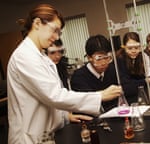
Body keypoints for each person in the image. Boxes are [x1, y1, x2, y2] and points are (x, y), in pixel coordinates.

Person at [7, 4, 122, 144]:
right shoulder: (24, 56)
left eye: (59, 33)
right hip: (30, 138)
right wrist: (100, 96)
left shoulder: (41, 57)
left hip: (47, 133)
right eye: (54, 30)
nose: (56, 37)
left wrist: (65, 117)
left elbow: (45, 98)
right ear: (37, 23)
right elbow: (54, 96)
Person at [71, 34, 118, 111]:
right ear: (89, 58)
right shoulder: (79, 77)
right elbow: (85, 103)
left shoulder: (112, 70)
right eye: (99, 59)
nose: (103, 62)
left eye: (106, 58)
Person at [116, 32, 150, 104]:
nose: (133, 51)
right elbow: (126, 87)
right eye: (130, 48)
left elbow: (146, 76)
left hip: (139, 94)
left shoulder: (140, 57)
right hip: (126, 99)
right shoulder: (120, 60)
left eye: (136, 48)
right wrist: (145, 81)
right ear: (124, 47)